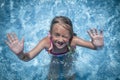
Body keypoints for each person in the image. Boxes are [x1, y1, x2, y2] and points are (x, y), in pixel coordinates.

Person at [6, 16, 104, 79]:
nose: (60, 40)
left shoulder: (74, 41)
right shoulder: (46, 42)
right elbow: (27, 58)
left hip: (69, 54)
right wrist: (20, 53)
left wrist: (98, 45)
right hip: (55, 57)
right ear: (50, 34)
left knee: (69, 75)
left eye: (65, 36)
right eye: (57, 35)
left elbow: (96, 48)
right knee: (52, 76)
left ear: (70, 36)